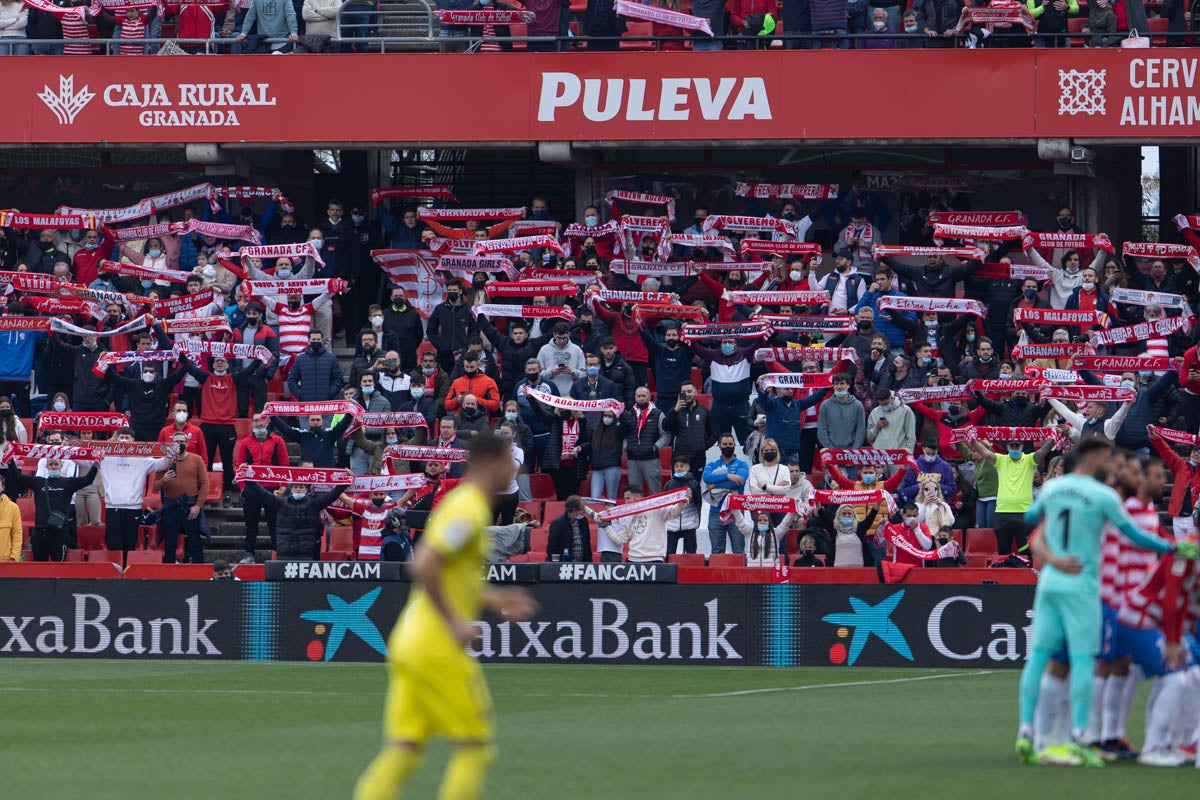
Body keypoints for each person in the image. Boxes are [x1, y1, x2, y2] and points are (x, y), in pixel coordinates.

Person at [354, 434, 536, 800]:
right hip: (436, 645)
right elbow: (425, 563)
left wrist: (496, 597)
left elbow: (456, 574)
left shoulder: (464, 505)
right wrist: (455, 621)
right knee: (474, 749)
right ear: (494, 463)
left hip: (410, 642)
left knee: (403, 751)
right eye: (511, 462)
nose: (516, 468)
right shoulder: (468, 509)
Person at [1016, 438, 1182, 768]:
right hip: (1083, 585)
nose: (1113, 465)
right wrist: (1175, 549)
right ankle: (1079, 737)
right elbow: (1137, 537)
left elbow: (1032, 519)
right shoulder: (1104, 497)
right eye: (1109, 459)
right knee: (1083, 661)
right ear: (1095, 459)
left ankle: (1027, 732)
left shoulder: (1054, 488)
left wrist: (1051, 555)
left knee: (1039, 657)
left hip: (1050, 581)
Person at [969, 437, 1054, 556]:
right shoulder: (1001, 460)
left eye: (1017, 446)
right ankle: (1003, 574)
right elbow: (986, 454)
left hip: (1024, 513)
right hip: (1003, 512)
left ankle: (1027, 574)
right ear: (1007, 447)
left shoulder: (1029, 460)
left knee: (1026, 551)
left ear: (1022, 447)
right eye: (1012, 446)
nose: (1014, 449)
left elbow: (1042, 452)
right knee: (1003, 551)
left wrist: (1053, 439)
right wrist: (972, 441)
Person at [4, 456, 97, 562]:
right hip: (40, 532)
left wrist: (96, 464)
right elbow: (17, 477)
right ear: (46, 467)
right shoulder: (38, 482)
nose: (53, 467)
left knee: (59, 570)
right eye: (51, 464)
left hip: (59, 533)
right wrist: (10, 460)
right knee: (39, 569)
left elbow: (88, 479)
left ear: (61, 466)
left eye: (56, 464)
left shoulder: (68, 483)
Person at [99, 428, 173, 560]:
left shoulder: (142, 459)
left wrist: (171, 451)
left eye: (127, 438)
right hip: (112, 507)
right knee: (113, 544)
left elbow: (162, 464)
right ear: (116, 439)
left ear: (133, 440)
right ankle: (115, 574)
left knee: (130, 544)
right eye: (121, 437)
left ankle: (127, 573)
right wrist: (67, 448)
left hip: (133, 508)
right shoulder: (105, 457)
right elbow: (84, 460)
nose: (124, 440)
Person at [244, 477, 350, 561]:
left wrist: (346, 481)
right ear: (291, 489)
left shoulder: (314, 504)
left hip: (307, 555)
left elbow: (332, 495)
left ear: (306, 489)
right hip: (284, 554)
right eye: (295, 487)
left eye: (301, 487)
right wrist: (247, 477)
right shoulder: (280, 503)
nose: (298, 489)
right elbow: (262, 493)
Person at [234, 414, 289, 564]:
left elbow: (284, 464)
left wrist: (283, 486)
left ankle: (277, 553)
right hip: (252, 488)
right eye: (256, 421)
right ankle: (249, 554)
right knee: (251, 523)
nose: (259, 424)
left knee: (274, 523)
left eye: (262, 420)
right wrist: (243, 488)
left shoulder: (277, 440)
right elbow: (239, 465)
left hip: (272, 488)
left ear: (268, 422)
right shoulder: (245, 442)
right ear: (252, 424)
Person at [154, 432, 210, 564]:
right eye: (176, 442)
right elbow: (155, 486)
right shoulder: (165, 461)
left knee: (195, 542)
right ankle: (168, 573)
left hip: (190, 505)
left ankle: (198, 573)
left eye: (182, 442)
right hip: (171, 506)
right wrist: (164, 480)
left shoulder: (196, 459)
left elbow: (205, 483)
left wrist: (198, 506)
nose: (179, 444)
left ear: (188, 443)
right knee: (170, 543)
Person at [603, 485, 688, 564]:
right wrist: (605, 526)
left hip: (654, 558)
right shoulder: (627, 516)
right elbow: (620, 540)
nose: (625, 502)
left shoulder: (656, 507)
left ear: (637, 497)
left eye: (628, 498)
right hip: (633, 559)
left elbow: (674, 512)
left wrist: (681, 502)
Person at [703, 433, 750, 555]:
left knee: (739, 551)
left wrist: (716, 484)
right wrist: (728, 476)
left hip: (736, 512)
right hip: (715, 512)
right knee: (716, 552)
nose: (728, 446)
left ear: (735, 445)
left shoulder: (742, 464)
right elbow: (706, 477)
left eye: (730, 444)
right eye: (725, 444)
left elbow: (739, 481)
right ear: (719, 446)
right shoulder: (712, 465)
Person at [662, 381, 715, 480]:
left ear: (695, 393)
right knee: (679, 488)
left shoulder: (704, 412)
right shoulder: (674, 411)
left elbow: (713, 433)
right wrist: (675, 411)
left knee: (695, 487)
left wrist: (703, 446)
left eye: (689, 391)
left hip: (698, 457)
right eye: (683, 392)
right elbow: (666, 426)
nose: (686, 394)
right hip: (679, 457)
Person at [271, 412, 353, 468]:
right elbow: (285, 429)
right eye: (312, 420)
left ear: (322, 422)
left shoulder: (330, 434)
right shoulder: (302, 435)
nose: (315, 422)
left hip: (326, 476)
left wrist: (350, 413)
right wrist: (272, 416)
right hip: (307, 476)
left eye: (318, 420)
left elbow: (343, 425)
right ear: (308, 422)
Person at [288, 330, 345, 402]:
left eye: (318, 339)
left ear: (321, 341)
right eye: (314, 339)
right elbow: (292, 380)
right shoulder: (300, 359)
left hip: (326, 404)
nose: (316, 341)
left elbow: (339, 379)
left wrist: (330, 393)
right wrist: (300, 394)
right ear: (309, 341)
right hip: (306, 404)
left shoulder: (331, 358)